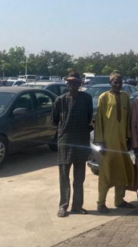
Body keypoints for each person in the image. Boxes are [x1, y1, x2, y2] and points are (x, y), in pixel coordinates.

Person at [52, 71, 94, 218]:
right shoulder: (60, 100)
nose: (73, 85)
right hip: (64, 143)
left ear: (80, 84)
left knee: (79, 178)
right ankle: (63, 206)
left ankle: (77, 206)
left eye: (76, 83)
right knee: (64, 177)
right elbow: (55, 120)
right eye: (70, 82)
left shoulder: (86, 99)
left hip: (81, 142)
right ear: (67, 84)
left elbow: (89, 119)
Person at [93, 73, 135, 213]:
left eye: (120, 82)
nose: (118, 84)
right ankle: (101, 202)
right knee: (106, 173)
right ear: (111, 82)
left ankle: (119, 200)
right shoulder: (103, 97)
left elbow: (128, 119)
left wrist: (129, 138)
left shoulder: (125, 97)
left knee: (121, 171)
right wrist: (100, 141)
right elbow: (98, 120)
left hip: (122, 142)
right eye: (116, 82)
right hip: (108, 142)